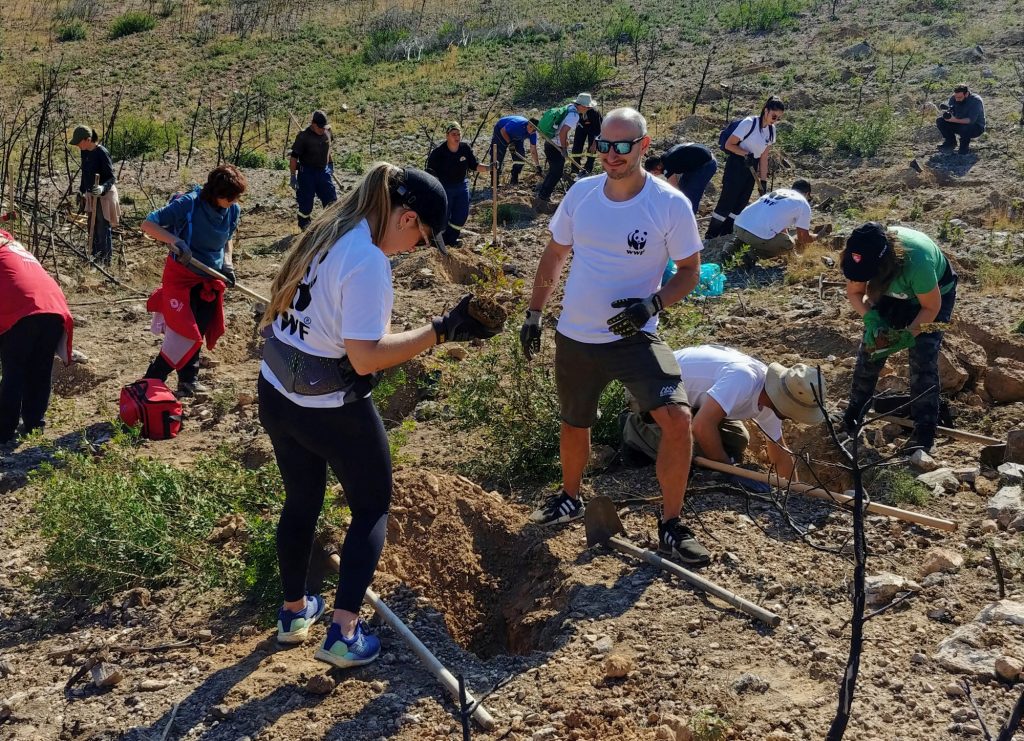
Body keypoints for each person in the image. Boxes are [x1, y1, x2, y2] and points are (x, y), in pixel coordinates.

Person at [256, 164, 501, 669]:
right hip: (326, 408)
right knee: (372, 507)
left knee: (302, 499)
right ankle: (343, 633)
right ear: (406, 217)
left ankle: (293, 613)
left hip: (278, 391)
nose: (414, 250)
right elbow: (365, 357)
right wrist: (441, 329)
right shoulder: (367, 261)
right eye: (421, 238)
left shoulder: (330, 230)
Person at [520, 107, 709, 565]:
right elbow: (554, 255)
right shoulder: (582, 195)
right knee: (574, 423)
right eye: (604, 145)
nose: (611, 155)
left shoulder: (668, 204)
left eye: (622, 146)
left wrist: (654, 304)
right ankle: (569, 497)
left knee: (678, 420)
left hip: (633, 336)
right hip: (576, 336)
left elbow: (689, 272)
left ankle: (670, 524)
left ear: (644, 146)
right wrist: (534, 313)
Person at [621, 345, 826, 490]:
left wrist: (796, 492)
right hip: (651, 390)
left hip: (689, 403)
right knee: (691, 453)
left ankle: (662, 430)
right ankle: (636, 428)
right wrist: (730, 471)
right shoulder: (743, 378)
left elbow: (780, 453)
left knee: (738, 439)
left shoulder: (771, 399)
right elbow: (701, 426)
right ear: (784, 401)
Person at [838, 223, 957, 452]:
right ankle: (853, 415)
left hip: (936, 297)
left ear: (883, 262)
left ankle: (924, 431)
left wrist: (907, 335)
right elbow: (855, 293)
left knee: (923, 357)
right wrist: (871, 318)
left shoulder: (917, 262)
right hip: (892, 293)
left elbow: (931, 308)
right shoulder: (860, 256)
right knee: (871, 349)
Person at [141, 165, 247, 397]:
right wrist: (176, 242)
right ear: (216, 193)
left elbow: (228, 239)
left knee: (199, 328)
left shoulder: (233, 209)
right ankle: (151, 380)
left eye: (236, 197)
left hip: (210, 276)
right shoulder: (189, 203)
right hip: (182, 277)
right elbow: (149, 224)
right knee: (183, 332)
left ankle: (189, 380)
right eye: (229, 196)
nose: (234, 201)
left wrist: (227, 263)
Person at [0, 231, 74, 445]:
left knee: (14, 368)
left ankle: (4, 430)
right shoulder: (15, 248)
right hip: (53, 306)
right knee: (41, 368)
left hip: (23, 308)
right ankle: (34, 425)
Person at [706, 96, 784, 239]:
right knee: (727, 201)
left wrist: (763, 181)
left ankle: (725, 235)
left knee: (740, 203)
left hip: (751, 167)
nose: (775, 120)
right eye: (774, 116)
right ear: (766, 111)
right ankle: (711, 235)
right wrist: (745, 154)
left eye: (778, 118)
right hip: (737, 163)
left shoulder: (771, 131)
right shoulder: (749, 123)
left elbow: (764, 157)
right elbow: (729, 144)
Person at [426, 122, 492, 247]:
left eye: (458, 134)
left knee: (461, 215)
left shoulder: (465, 149)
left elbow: (474, 165)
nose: (456, 137)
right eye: (453, 134)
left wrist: (490, 168)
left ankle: (451, 240)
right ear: (447, 136)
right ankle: (438, 242)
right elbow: (429, 173)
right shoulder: (438, 153)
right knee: (443, 216)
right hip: (444, 187)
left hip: (461, 186)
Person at [535, 93, 596, 212]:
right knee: (556, 172)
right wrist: (564, 149)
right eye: (588, 107)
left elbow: (561, 130)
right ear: (582, 106)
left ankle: (542, 195)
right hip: (555, 146)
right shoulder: (574, 115)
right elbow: (563, 132)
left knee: (554, 171)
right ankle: (543, 198)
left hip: (550, 143)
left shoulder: (568, 107)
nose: (588, 109)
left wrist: (565, 142)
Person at [70, 125, 120, 266]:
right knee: (91, 224)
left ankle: (105, 262)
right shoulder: (85, 152)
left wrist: (102, 187)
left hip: (104, 195)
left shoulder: (101, 153)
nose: (78, 145)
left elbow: (111, 177)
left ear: (88, 139)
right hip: (91, 194)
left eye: (80, 142)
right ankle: (95, 257)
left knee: (102, 227)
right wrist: (81, 190)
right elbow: (85, 173)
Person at [733, 179, 817, 260]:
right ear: (807, 193)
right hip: (756, 235)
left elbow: (780, 224)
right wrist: (817, 236)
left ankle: (732, 248)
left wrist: (793, 254)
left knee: (757, 233)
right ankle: (751, 255)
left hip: (738, 226)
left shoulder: (780, 191)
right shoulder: (803, 203)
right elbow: (802, 238)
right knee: (788, 244)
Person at [290, 110, 337, 230]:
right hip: (307, 173)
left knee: (331, 200)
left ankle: (331, 225)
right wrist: (293, 176)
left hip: (323, 171)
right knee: (306, 203)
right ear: (313, 124)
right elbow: (294, 157)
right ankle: (305, 226)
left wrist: (330, 164)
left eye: (324, 127)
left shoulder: (327, 131)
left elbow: (328, 148)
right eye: (320, 127)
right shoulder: (303, 136)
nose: (322, 130)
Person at [644, 142, 718, 215]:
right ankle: (681, 213)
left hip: (707, 164)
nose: (655, 175)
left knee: (690, 196)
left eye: (654, 172)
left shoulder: (668, 165)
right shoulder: (665, 158)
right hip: (697, 162)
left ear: (658, 167)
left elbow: (674, 189)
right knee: (683, 189)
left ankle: (688, 218)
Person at [491, 115, 541, 185]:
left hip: (516, 137)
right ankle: (494, 182)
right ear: (529, 125)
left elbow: (533, 150)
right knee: (498, 156)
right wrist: (510, 143)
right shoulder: (517, 124)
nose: (534, 132)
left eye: (535, 130)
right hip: (501, 131)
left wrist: (537, 165)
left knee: (520, 158)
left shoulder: (533, 133)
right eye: (533, 129)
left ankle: (514, 179)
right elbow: (503, 131)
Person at [936, 84, 986, 154]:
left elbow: (970, 121)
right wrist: (949, 115)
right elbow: (951, 109)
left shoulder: (976, 101)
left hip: (976, 127)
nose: (957, 99)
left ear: (967, 94)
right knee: (940, 121)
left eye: (959, 97)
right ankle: (950, 143)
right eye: (956, 97)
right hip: (959, 123)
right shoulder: (954, 98)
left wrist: (953, 120)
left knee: (966, 127)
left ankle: (964, 147)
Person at [570, 105, 603, 178]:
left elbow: (598, 131)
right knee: (576, 146)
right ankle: (575, 169)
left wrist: (594, 144)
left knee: (592, 149)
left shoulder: (594, 113)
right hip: (581, 125)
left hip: (594, 128)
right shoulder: (576, 109)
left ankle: (588, 168)